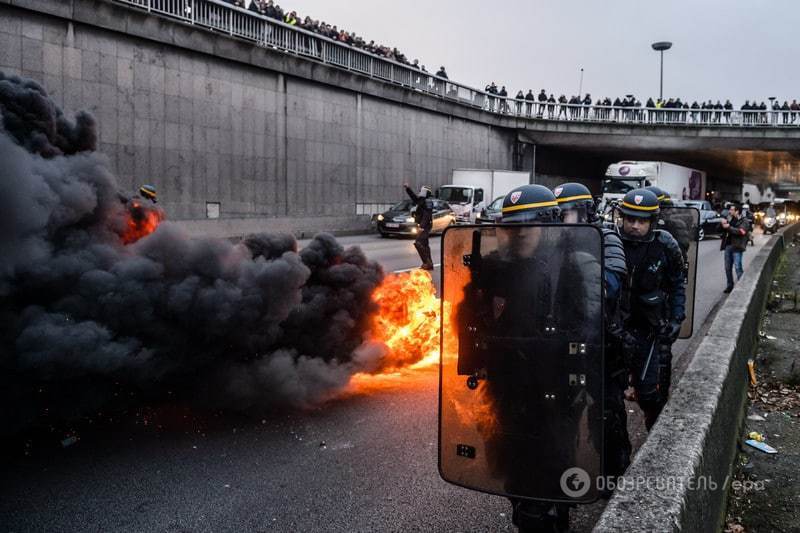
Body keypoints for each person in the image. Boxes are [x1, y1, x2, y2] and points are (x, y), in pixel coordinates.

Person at [553, 182, 631, 485]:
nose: (562, 220)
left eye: (567, 213)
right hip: (564, 342)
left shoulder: (606, 237)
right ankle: (563, 479)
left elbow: (610, 285)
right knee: (562, 417)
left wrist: (581, 267)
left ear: (584, 212)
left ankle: (613, 476)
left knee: (608, 415)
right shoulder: (555, 239)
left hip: (602, 342)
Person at [617, 188, 686, 430]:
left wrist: (677, 318)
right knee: (610, 400)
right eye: (630, 219)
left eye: (642, 220)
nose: (635, 226)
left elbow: (678, 282)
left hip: (652, 331)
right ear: (621, 217)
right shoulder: (609, 242)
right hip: (618, 332)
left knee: (652, 396)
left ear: (652, 221)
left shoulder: (665, 245)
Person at [720, 203, 751, 293]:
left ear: (737, 211)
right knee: (727, 267)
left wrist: (729, 227)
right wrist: (722, 224)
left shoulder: (744, 221)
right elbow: (720, 229)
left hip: (737, 247)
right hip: (728, 246)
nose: (730, 211)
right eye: (730, 210)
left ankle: (742, 288)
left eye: (732, 210)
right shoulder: (729, 218)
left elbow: (741, 232)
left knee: (738, 268)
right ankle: (730, 286)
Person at [404, 182, 434, 270]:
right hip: (423, 225)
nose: (419, 192)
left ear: (424, 192)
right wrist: (408, 188)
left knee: (418, 242)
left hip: (425, 226)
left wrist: (422, 227)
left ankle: (427, 262)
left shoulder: (428, 201)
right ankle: (430, 263)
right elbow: (414, 197)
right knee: (425, 244)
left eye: (421, 190)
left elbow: (426, 215)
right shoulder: (422, 200)